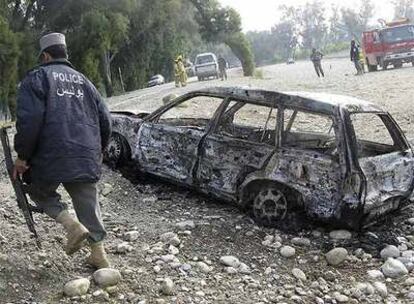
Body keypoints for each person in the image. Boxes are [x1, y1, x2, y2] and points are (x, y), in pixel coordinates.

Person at [13, 32, 112, 269]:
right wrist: (100, 149)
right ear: (65, 54)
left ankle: (72, 226)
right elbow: (105, 120)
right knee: (87, 201)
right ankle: (99, 254)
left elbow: (30, 120)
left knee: (39, 192)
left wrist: (22, 157)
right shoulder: (85, 82)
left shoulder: (36, 78)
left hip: (51, 156)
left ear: (45, 56)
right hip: (86, 154)